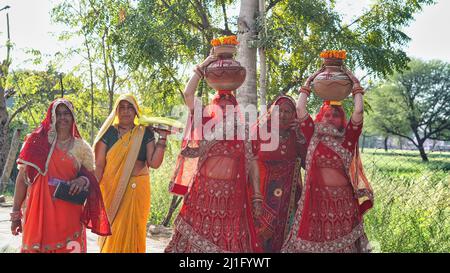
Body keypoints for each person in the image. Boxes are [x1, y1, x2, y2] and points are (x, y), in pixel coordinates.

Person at [164, 54, 263, 253]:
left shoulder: (242, 129)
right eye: (221, 105)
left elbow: (251, 162)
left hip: (232, 199)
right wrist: (201, 68)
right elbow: (188, 95)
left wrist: (257, 196)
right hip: (203, 195)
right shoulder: (206, 119)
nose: (225, 110)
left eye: (229, 106)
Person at [282, 67, 374, 253]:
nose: (331, 118)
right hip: (315, 201)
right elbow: (299, 109)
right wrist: (308, 83)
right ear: (321, 116)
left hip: (343, 203)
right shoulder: (313, 134)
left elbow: (359, 113)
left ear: (342, 120)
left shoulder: (348, 139)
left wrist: (356, 86)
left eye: (336, 115)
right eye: (327, 114)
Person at [10, 98, 110, 253]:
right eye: (58, 114)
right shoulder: (36, 141)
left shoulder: (82, 148)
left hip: (69, 217)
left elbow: (91, 179)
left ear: (73, 117)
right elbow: (22, 180)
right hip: (38, 216)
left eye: (66, 113)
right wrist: (16, 214)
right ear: (51, 116)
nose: (63, 117)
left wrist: (82, 180)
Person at [94, 94, 169, 253]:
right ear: (116, 111)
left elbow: (154, 163)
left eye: (130, 108)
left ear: (136, 112)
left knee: (135, 230)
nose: (126, 111)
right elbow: (99, 165)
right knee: (113, 229)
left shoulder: (144, 133)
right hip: (111, 189)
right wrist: (91, 190)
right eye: (122, 107)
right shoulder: (108, 134)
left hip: (137, 190)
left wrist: (162, 138)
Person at [253, 95, 307, 252]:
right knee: (261, 233)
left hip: (289, 196)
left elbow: (305, 163)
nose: (282, 115)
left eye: (287, 111)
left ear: (294, 115)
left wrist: (300, 135)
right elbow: (250, 158)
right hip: (262, 192)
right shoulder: (261, 130)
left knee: (284, 232)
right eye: (279, 111)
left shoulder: (295, 134)